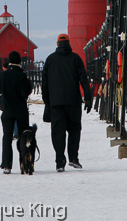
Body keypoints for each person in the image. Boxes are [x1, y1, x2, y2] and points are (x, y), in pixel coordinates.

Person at [42, 34, 92, 172]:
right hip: (73, 102)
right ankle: (74, 158)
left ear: (57, 44)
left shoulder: (50, 59)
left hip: (56, 103)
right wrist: (88, 97)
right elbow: (84, 79)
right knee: (74, 130)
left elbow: (44, 84)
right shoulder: (76, 59)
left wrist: (47, 102)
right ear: (69, 43)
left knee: (58, 132)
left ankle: (59, 161)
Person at [0, 51, 32, 174]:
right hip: (21, 111)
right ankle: (25, 163)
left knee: (7, 137)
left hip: (7, 111)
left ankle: (6, 165)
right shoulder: (22, 76)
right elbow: (25, 92)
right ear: (19, 62)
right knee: (24, 137)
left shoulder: (2, 76)